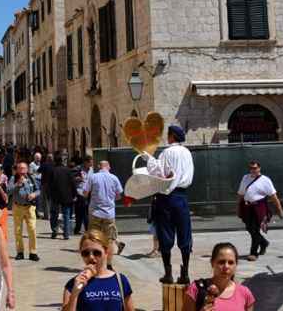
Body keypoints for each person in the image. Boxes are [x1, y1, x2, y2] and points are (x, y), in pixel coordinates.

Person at [145, 124, 195, 284]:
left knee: (165, 234)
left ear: (172, 135)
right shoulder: (187, 152)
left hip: (166, 198)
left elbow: (159, 172)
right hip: (182, 197)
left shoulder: (167, 152)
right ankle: (185, 272)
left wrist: (149, 159)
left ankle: (168, 273)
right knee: (185, 233)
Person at [62, 230, 135, 311]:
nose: (91, 257)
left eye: (96, 253)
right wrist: (75, 293)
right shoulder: (73, 283)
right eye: (85, 253)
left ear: (106, 251)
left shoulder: (120, 280)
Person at [183, 242, 254, 311]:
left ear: (236, 265)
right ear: (212, 263)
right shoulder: (196, 289)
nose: (226, 266)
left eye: (231, 262)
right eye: (221, 262)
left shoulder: (245, 293)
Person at [237, 160, 283, 261]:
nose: (252, 170)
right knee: (249, 228)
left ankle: (253, 253)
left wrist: (280, 210)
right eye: (251, 168)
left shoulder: (265, 180)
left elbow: (273, 196)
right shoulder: (245, 178)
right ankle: (263, 243)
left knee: (254, 229)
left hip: (259, 208)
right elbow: (241, 194)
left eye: (254, 168)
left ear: (259, 168)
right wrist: (238, 207)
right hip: (247, 207)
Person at [83, 160, 125, 264]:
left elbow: (85, 193)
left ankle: (94, 263)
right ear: (108, 167)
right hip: (109, 213)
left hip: (95, 213)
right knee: (110, 240)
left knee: (93, 239)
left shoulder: (93, 177)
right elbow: (119, 195)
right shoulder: (114, 178)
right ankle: (109, 264)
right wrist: (110, 199)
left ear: (99, 167)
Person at [8, 161, 40, 261]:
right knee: (18, 231)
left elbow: (38, 190)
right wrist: (17, 184)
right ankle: (20, 252)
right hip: (18, 207)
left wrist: (34, 195)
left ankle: (33, 252)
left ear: (27, 169)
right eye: (20, 169)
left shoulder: (31, 178)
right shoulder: (13, 179)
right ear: (17, 170)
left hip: (29, 207)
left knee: (32, 230)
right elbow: (8, 191)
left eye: (24, 168)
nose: (22, 171)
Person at [49, 155, 77, 240]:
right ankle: (66, 234)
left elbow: (50, 184)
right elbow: (73, 183)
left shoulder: (53, 171)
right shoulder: (68, 170)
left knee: (54, 214)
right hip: (67, 196)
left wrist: (50, 194)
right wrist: (74, 194)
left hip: (55, 196)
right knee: (66, 215)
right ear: (62, 161)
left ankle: (54, 231)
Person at [73, 156, 94, 235]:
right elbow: (71, 178)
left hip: (89, 193)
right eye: (90, 162)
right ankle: (81, 229)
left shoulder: (92, 170)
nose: (91, 164)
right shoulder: (78, 169)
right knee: (81, 212)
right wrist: (77, 179)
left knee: (86, 212)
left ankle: (84, 229)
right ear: (86, 162)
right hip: (80, 193)